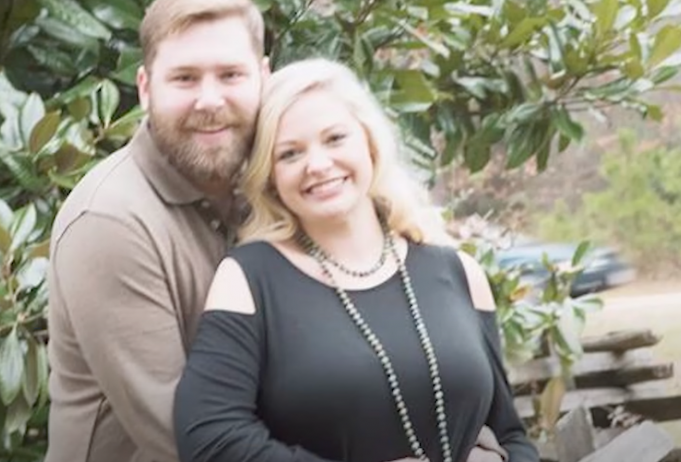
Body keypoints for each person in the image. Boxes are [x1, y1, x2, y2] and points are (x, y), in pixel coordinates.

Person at [173, 58, 540, 462]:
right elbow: (211, 438)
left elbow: (510, 434)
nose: (318, 165)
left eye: (335, 138)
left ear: (370, 142)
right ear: (270, 176)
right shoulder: (250, 278)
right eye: (290, 154)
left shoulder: (458, 272)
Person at [44, 0, 269, 461]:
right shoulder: (109, 220)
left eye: (231, 75)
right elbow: (189, 441)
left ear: (264, 78)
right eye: (185, 78)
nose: (210, 101)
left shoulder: (278, 190)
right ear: (145, 88)